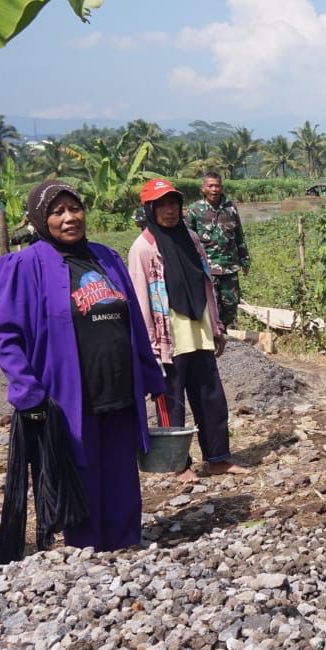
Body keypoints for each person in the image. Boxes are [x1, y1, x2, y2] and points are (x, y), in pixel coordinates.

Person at [0, 181, 166, 551]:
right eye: (58, 211)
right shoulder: (25, 266)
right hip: (67, 395)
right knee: (81, 475)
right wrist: (27, 390)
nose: (70, 218)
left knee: (120, 474)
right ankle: (86, 553)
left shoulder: (107, 258)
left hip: (117, 388)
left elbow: (132, 320)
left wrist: (150, 373)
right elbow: (6, 336)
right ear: (40, 219)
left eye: (75, 208)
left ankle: (125, 546)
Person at [128, 178, 248, 481]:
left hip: (199, 328)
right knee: (172, 400)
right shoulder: (143, 248)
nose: (169, 211)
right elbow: (141, 300)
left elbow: (206, 284)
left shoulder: (192, 238)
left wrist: (217, 326)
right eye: (162, 205)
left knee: (211, 396)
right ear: (149, 209)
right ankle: (178, 464)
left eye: (173, 204)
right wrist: (149, 345)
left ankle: (218, 457)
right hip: (168, 336)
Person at [185, 172, 250, 329]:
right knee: (212, 307)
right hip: (207, 270)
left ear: (222, 187)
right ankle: (214, 339)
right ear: (203, 188)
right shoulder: (195, 210)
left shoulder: (231, 209)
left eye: (217, 186)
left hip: (230, 268)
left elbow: (239, 235)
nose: (214, 189)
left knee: (231, 305)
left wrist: (245, 259)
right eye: (210, 186)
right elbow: (187, 240)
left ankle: (230, 339)